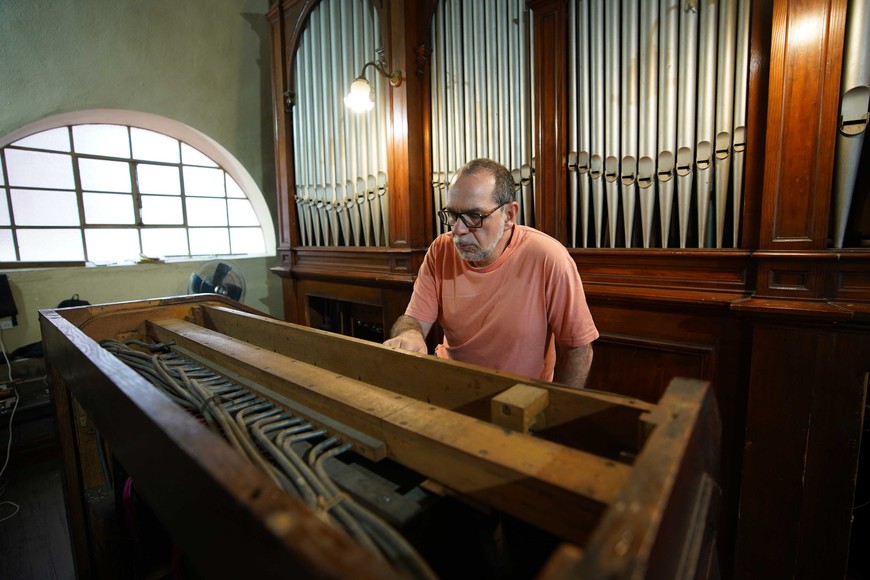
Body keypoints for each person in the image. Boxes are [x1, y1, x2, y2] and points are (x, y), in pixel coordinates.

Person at [383, 158, 598, 389]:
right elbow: (413, 320)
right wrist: (410, 334)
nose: (458, 230)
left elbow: (578, 348)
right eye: (453, 215)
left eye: (475, 216)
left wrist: (560, 410)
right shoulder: (440, 250)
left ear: (509, 215)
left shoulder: (549, 257)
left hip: (521, 398)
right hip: (452, 387)